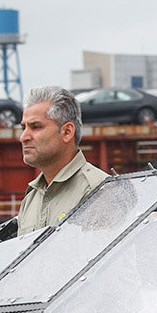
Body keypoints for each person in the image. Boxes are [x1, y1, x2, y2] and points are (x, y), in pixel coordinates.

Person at [17, 85, 108, 234]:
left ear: (67, 132)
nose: (24, 137)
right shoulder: (31, 198)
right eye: (24, 128)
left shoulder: (99, 191)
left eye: (36, 127)